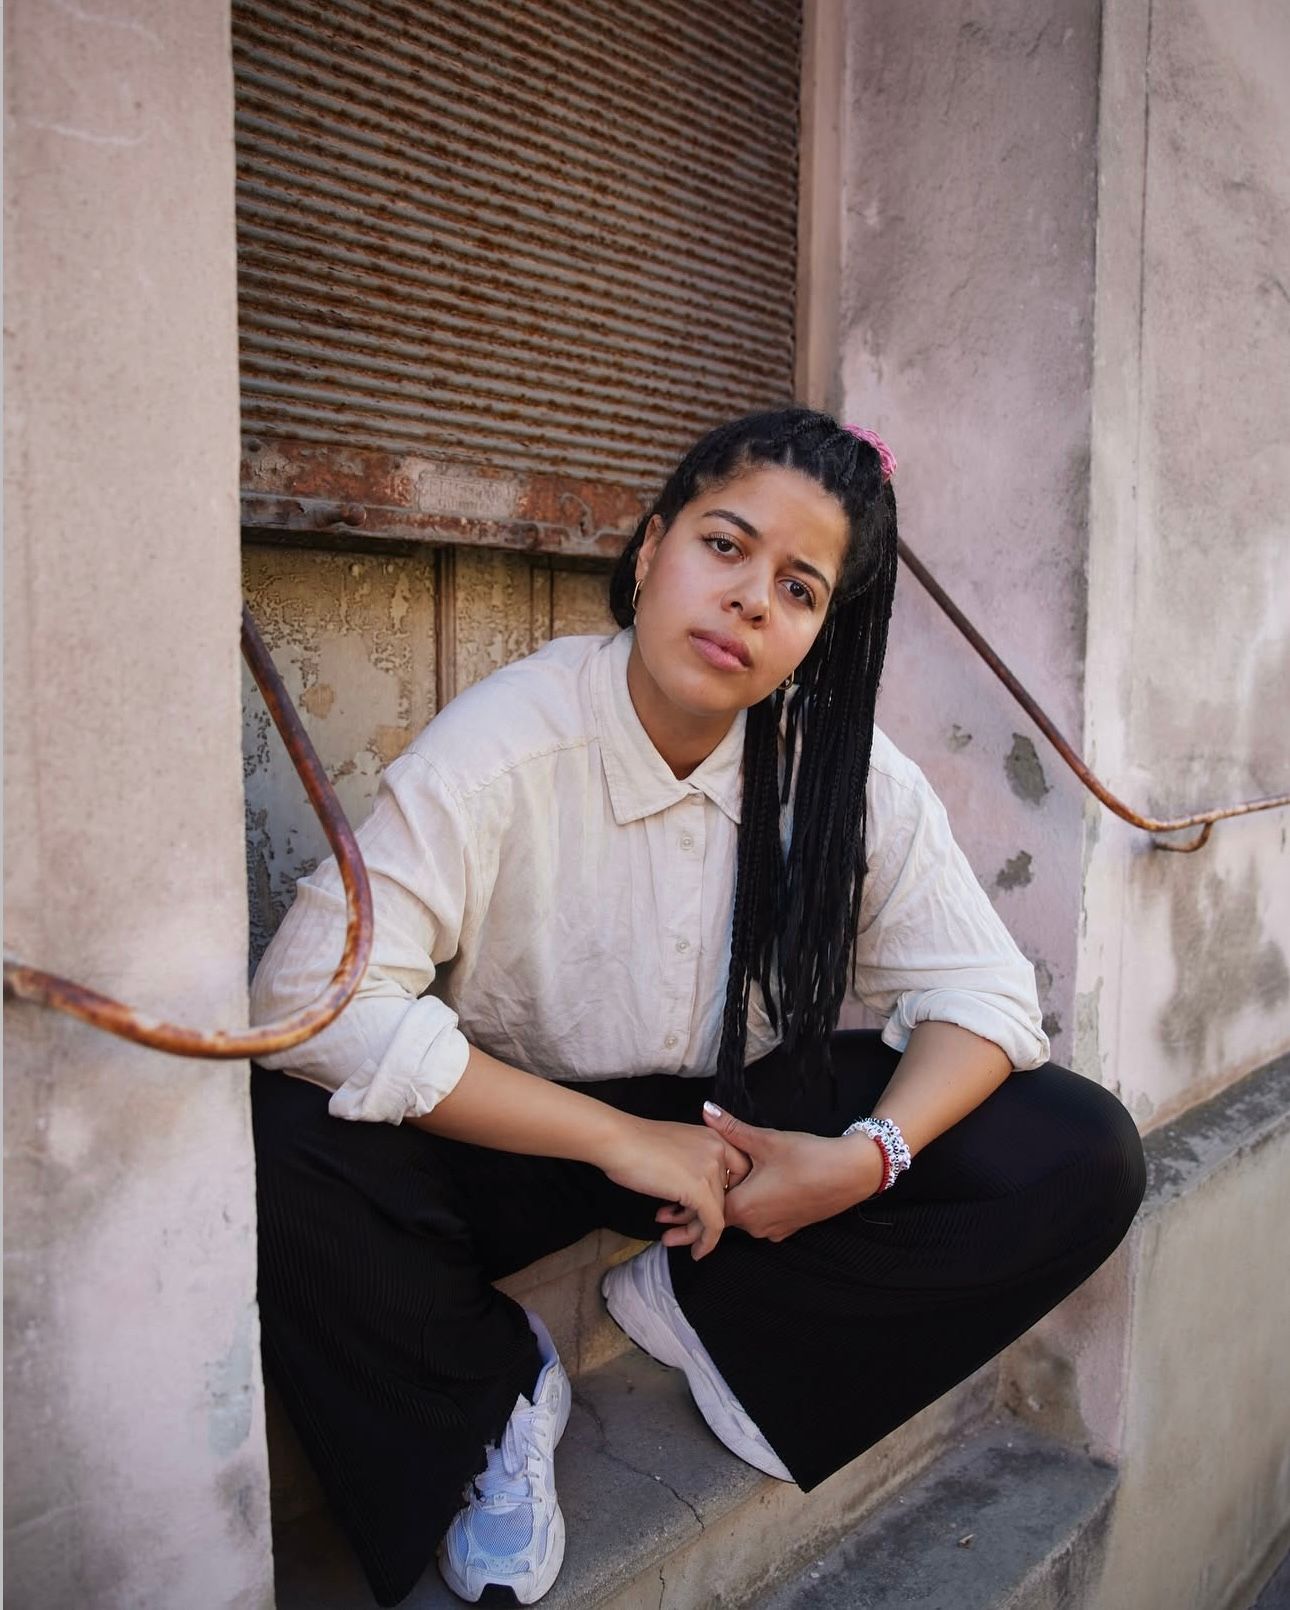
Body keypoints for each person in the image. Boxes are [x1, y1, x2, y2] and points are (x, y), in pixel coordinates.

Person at [249, 408, 1146, 1608]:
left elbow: (983, 992)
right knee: (278, 1143)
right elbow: (310, 997)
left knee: (1077, 1147)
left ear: (818, 632)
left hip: (739, 1129)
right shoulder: (511, 741)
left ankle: (709, 1311)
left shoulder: (843, 771)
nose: (750, 601)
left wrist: (863, 1159)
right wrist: (618, 1137)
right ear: (651, 549)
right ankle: (489, 1394)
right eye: (725, 545)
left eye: (799, 587)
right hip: (524, 1126)